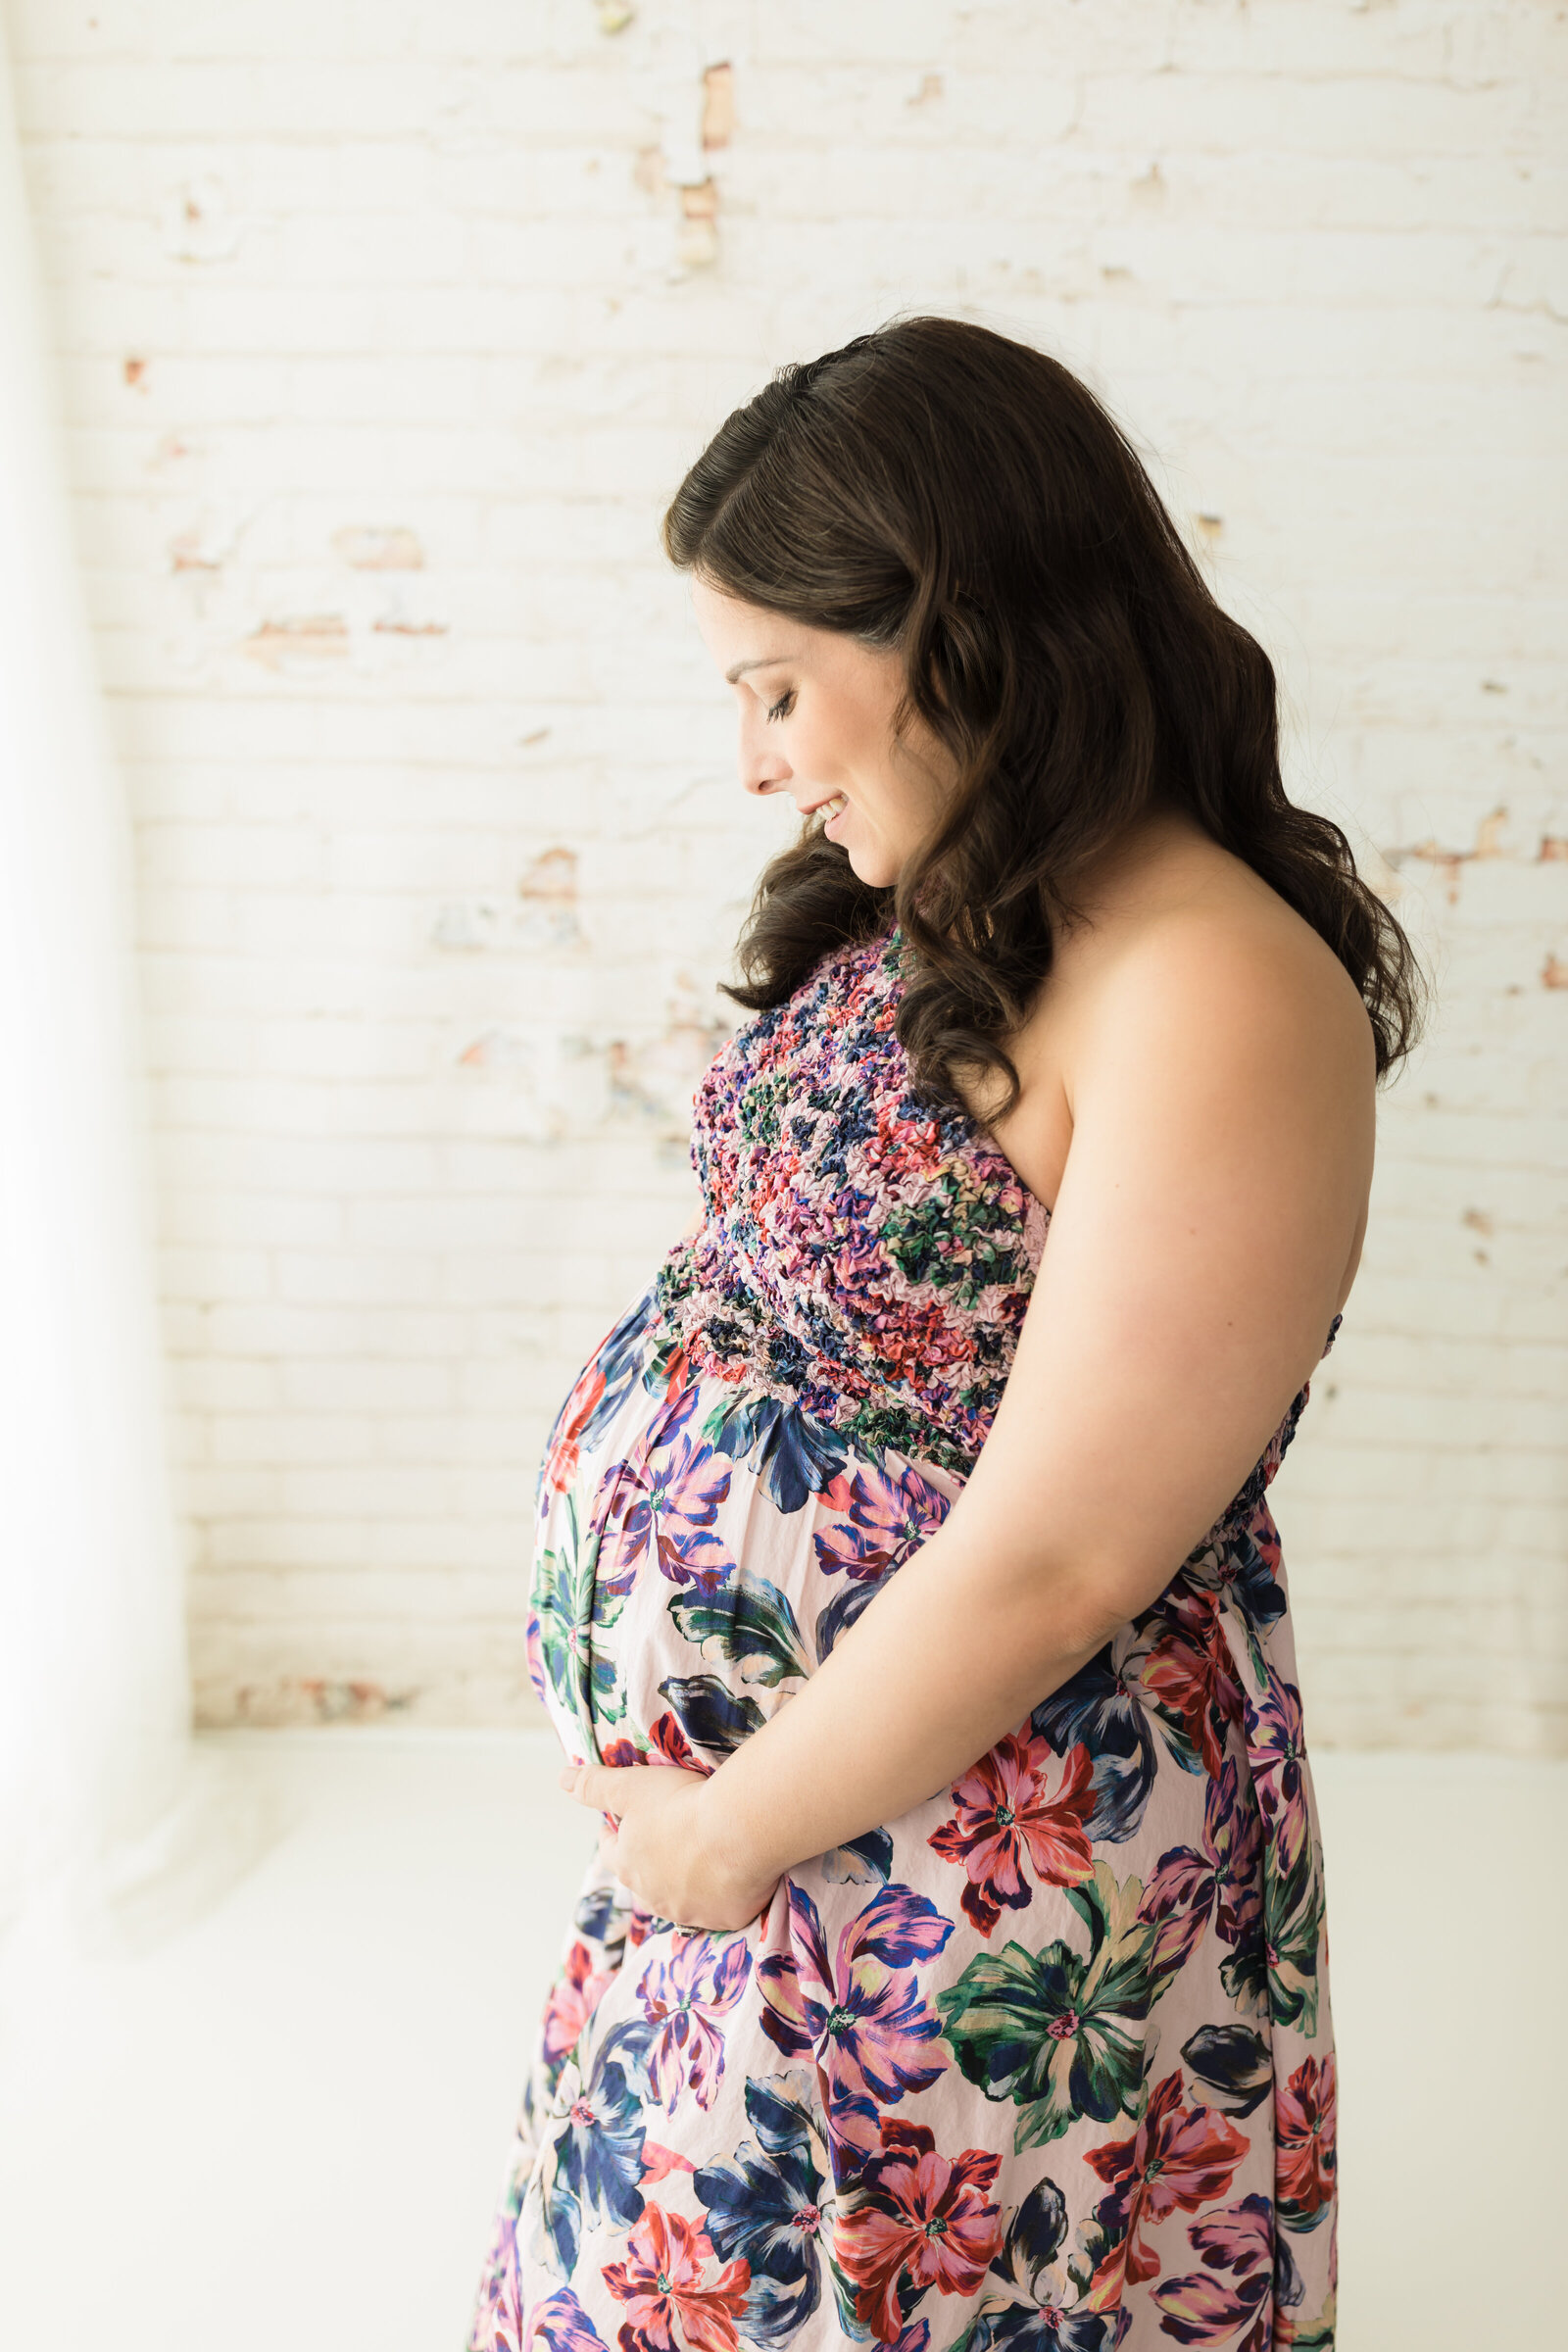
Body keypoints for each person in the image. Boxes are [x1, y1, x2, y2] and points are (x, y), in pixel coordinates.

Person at [466, 317, 1418, 2352]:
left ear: (957, 625)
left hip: (973, 1866)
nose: (752, 761)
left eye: (777, 686)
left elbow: (1069, 1552)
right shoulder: (969, 900)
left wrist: (726, 1832)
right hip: (792, 1829)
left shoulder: (1210, 990)